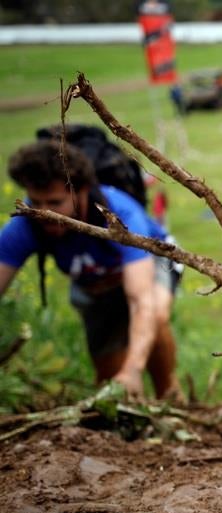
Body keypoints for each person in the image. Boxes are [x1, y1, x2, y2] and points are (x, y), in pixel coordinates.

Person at [0, 141, 181, 399]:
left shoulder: (121, 213)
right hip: (96, 283)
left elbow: (142, 301)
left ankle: (169, 394)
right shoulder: (26, 225)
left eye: (55, 202)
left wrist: (133, 369)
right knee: (110, 378)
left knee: (156, 315)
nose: (43, 213)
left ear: (83, 190)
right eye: (35, 202)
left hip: (152, 260)